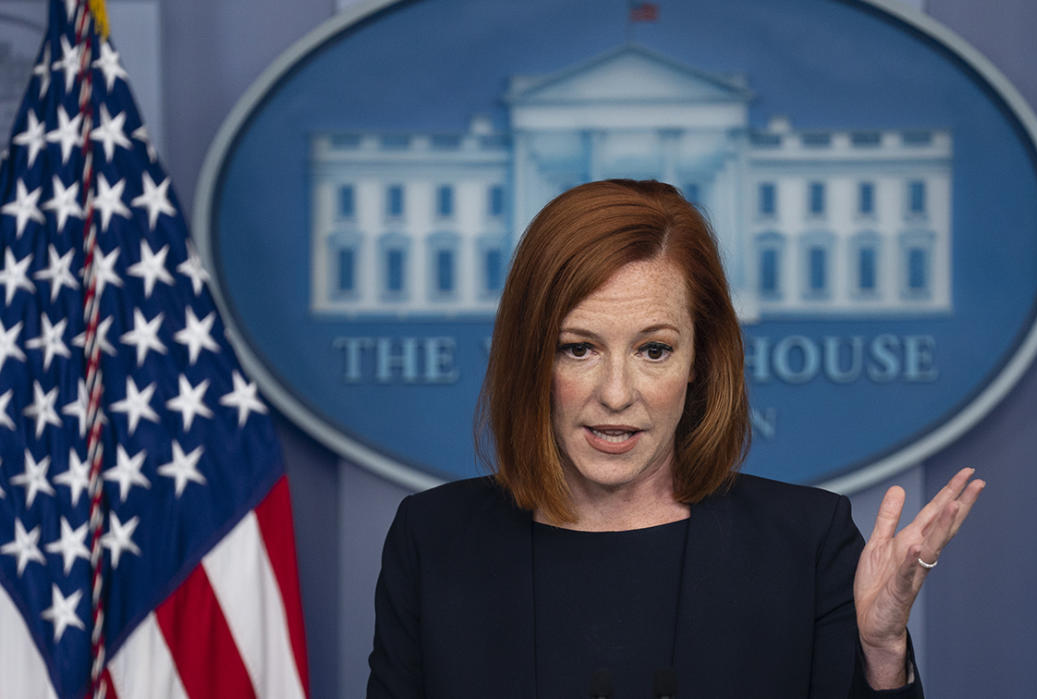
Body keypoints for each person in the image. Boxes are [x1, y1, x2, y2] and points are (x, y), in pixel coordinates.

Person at [367, 179, 984, 698]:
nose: (615, 393)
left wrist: (881, 655)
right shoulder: (433, 540)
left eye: (653, 350)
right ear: (531, 357)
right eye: (578, 348)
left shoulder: (806, 542)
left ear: (699, 360)